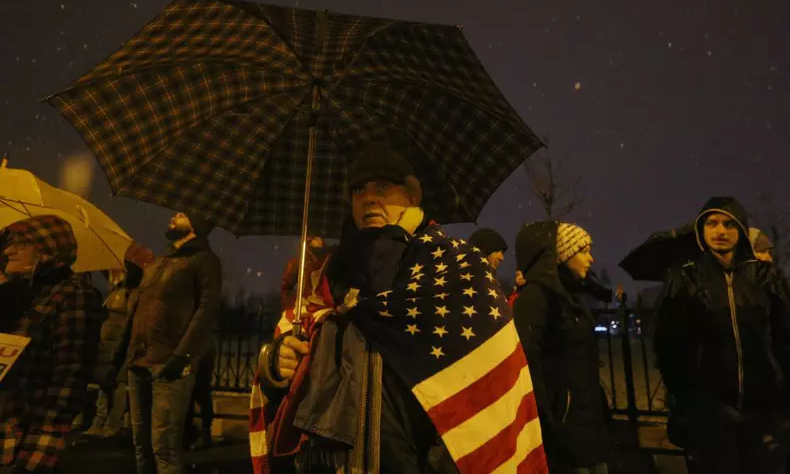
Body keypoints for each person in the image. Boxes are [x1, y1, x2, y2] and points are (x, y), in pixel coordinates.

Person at [250, 142, 547, 474]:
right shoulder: (328, 273)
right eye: (358, 190)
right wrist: (278, 363)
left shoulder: (452, 264)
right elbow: (297, 341)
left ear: (412, 196)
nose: (368, 198)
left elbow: (482, 377)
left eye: (382, 188)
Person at [654, 197, 790, 474]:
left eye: (729, 224)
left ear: (741, 229)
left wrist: (781, 398)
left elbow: (784, 337)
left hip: (762, 410)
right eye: (712, 223)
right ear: (701, 230)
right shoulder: (685, 278)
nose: (720, 231)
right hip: (710, 412)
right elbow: (669, 347)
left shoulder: (765, 276)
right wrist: (691, 401)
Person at [118, 212, 222, 474]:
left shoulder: (205, 260)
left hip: (168, 363)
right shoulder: (162, 260)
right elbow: (138, 307)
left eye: (184, 214)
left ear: (197, 224)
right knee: (140, 444)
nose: (175, 215)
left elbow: (206, 310)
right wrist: (121, 353)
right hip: (139, 359)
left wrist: (181, 355)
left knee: (164, 446)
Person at [0, 215, 102, 473]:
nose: (9, 251)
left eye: (21, 244)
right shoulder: (20, 293)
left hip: (31, 430)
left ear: (47, 252)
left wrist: (46, 437)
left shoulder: (74, 294)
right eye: (9, 244)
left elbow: (71, 372)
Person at [512, 221, 611, 473]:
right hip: (564, 425)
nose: (591, 258)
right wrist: (549, 416)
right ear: (563, 255)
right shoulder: (537, 296)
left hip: (585, 418)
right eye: (583, 250)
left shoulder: (571, 296)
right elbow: (528, 362)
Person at [83, 252, 151, 440]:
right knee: (104, 383)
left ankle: (112, 424)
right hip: (106, 342)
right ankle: (99, 422)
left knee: (116, 385)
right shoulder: (116, 291)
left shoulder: (133, 294)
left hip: (119, 344)